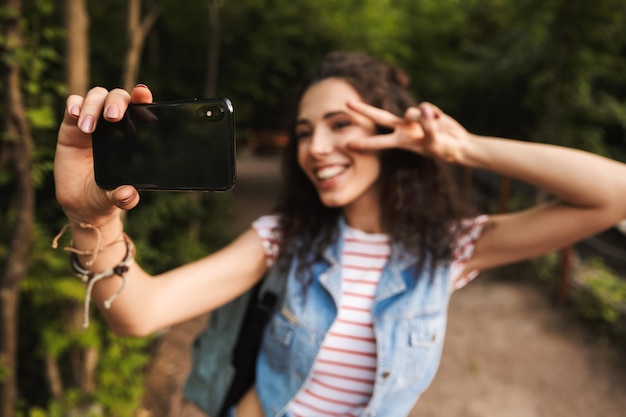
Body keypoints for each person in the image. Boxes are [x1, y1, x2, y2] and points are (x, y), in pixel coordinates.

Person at [53, 52, 626, 417]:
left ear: (393, 131)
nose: (317, 148)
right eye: (305, 132)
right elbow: (139, 314)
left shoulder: (446, 248)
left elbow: (613, 194)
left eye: (340, 125)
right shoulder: (284, 238)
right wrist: (94, 218)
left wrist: (463, 148)